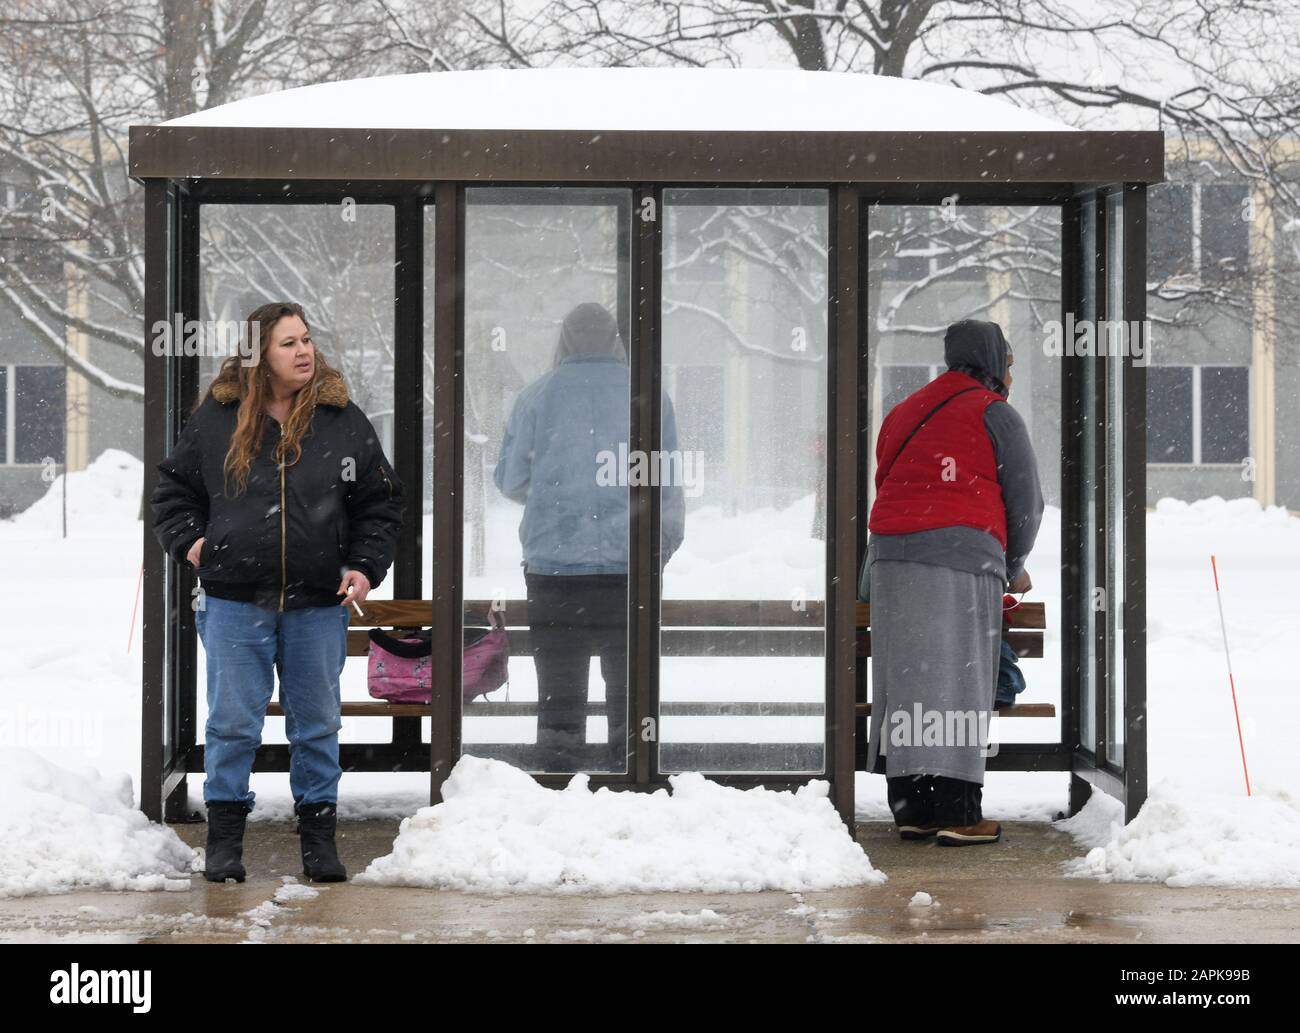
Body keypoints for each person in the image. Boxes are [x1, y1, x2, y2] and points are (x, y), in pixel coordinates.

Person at [151, 301, 404, 882]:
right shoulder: (217, 419)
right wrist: (193, 543)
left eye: (308, 340)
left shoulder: (342, 420)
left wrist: (364, 565)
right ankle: (225, 841)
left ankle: (318, 839)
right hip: (235, 602)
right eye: (289, 342)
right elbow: (172, 491)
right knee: (232, 724)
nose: (304, 351)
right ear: (260, 354)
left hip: (317, 604)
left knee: (315, 723)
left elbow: (381, 501)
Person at [862, 318, 1043, 845]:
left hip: (892, 558)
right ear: (992, 360)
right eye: (1008, 363)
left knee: (910, 680)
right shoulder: (995, 414)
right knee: (959, 684)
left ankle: (914, 808)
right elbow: (1026, 501)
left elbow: (887, 478)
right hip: (961, 556)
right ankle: (961, 814)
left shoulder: (905, 409)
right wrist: (1010, 563)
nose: (1010, 374)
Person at [494, 302, 685, 773]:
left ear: (566, 339)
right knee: (629, 688)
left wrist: (556, 495)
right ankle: (631, 767)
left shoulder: (536, 396)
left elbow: (511, 478)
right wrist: (660, 545)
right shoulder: (649, 396)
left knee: (559, 688)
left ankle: (560, 769)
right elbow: (669, 479)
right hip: (630, 568)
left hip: (555, 570)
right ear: (616, 338)